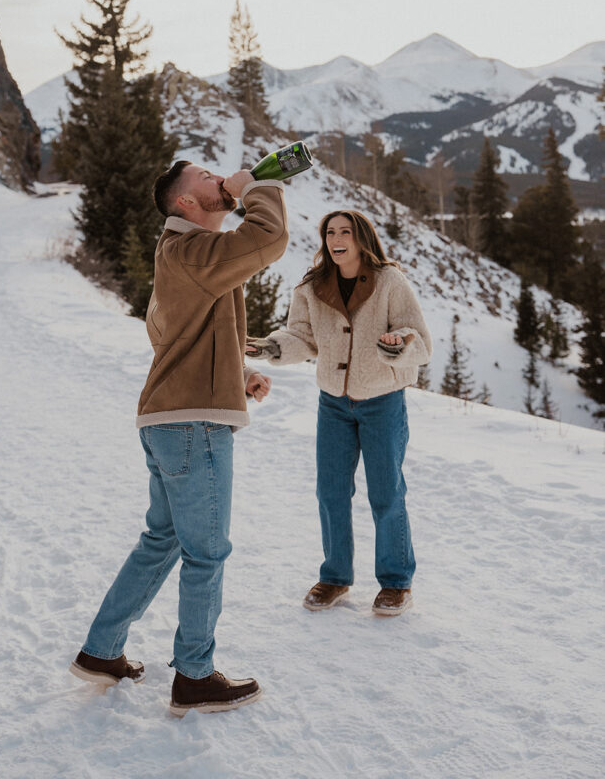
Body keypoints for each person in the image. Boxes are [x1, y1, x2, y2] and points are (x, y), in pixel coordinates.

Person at [70, 162, 288, 715]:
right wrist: (257, 189)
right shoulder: (191, 252)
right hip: (192, 423)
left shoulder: (186, 259)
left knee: (162, 540)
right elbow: (269, 237)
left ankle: (102, 651)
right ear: (185, 204)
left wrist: (237, 374)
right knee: (206, 552)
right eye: (207, 176)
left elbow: (183, 337)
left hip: (170, 418)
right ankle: (194, 675)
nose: (219, 178)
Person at [247, 210, 431, 617]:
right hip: (332, 403)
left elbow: (418, 339)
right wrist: (270, 348)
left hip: (382, 400)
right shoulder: (312, 287)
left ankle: (396, 583)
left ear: (362, 238)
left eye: (345, 231)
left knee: (386, 494)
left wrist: (397, 342)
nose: (336, 239)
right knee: (330, 492)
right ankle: (335, 576)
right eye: (330, 232)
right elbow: (301, 336)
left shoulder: (390, 282)